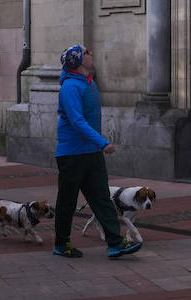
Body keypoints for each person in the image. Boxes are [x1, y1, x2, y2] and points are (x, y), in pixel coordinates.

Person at [52, 44, 141, 259]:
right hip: (72, 154)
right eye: (87, 52)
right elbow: (76, 121)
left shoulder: (88, 82)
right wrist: (102, 142)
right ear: (78, 60)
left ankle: (115, 243)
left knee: (101, 198)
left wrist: (97, 145)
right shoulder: (71, 86)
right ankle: (62, 244)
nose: (91, 54)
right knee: (67, 201)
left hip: (90, 152)